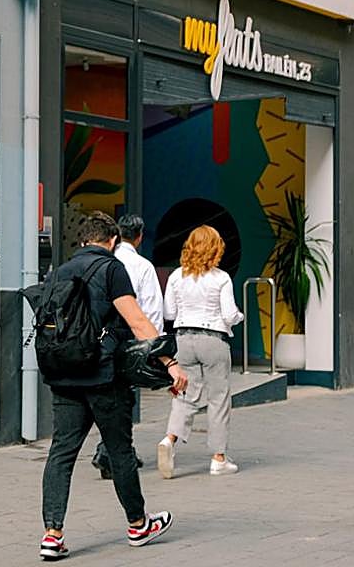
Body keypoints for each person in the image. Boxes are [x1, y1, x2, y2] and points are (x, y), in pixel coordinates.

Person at [39, 212, 188, 561]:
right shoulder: (112, 269)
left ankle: (52, 533)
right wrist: (169, 363)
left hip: (63, 374)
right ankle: (138, 524)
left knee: (61, 453)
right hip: (103, 375)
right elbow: (137, 321)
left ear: (82, 240)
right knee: (120, 450)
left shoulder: (60, 271)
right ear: (113, 242)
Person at [157, 225, 245, 479]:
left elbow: (169, 314)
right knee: (218, 398)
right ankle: (218, 458)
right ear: (216, 249)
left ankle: (169, 440)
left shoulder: (176, 277)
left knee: (184, 393)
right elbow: (229, 314)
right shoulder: (221, 278)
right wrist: (239, 317)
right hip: (213, 339)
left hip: (183, 339)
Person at [91, 214, 163, 479]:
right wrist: (155, 349)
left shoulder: (99, 262)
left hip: (97, 340)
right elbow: (153, 309)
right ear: (140, 236)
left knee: (106, 394)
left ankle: (112, 449)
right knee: (124, 399)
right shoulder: (142, 266)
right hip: (130, 339)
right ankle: (111, 451)